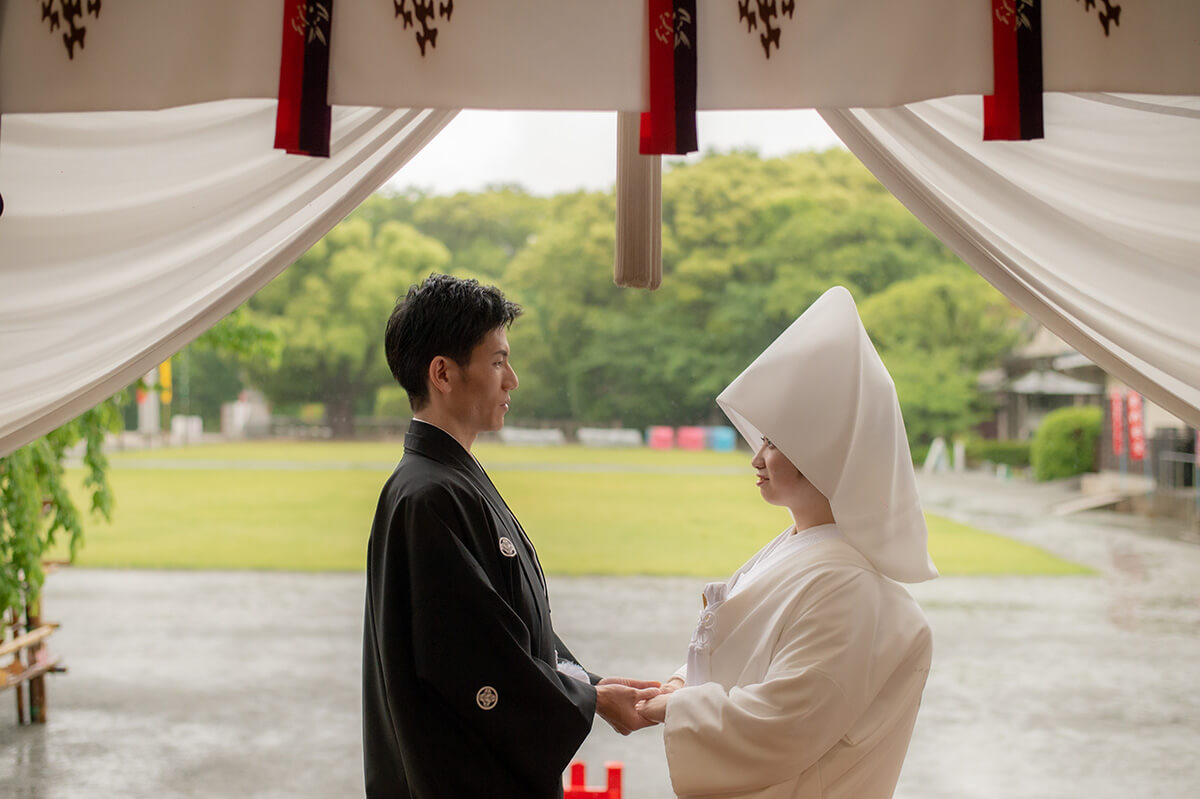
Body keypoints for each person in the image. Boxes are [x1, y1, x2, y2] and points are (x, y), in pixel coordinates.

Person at [362, 274, 661, 798]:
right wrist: (589, 701)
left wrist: (588, 684)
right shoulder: (428, 494)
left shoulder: (445, 480)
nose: (512, 380)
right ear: (443, 373)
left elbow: (506, 623)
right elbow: (476, 658)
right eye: (498, 361)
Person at [636, 286, 937, 799]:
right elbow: (748, 662)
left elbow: (784, 722)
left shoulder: (849, 586)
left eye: (773, 443)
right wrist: (682, 683)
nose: (757, 458)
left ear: (824, 454)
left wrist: (678, 706)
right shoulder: (799, 552)